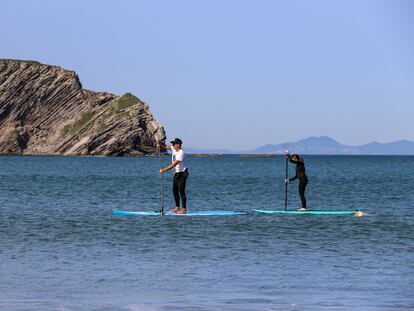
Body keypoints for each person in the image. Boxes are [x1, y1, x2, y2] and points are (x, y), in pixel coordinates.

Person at [157, 138, 189, 214]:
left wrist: (164, 170)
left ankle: (184, 209)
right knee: (174, 190)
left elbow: (174, 164)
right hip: (176, 173)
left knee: (181, 190)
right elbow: (166, 147)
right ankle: (177, 207)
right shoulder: (174, 149)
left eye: (174, 144)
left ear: (178, 145)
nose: (172, 145)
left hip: (183, 173)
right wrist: (160, 143)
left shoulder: (181, 153)